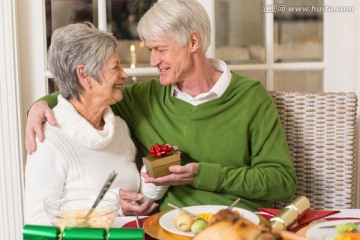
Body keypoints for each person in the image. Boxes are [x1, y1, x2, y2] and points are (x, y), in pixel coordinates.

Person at [26, 0, 297, 213]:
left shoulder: (251, 98)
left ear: (193, 42)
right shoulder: (144, 98)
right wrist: (39, 106)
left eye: (161, 49)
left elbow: (281, 182)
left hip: (237, 222)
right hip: (166, 227)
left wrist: (204, 175)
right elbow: (84, 95)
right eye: (150, 49)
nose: (153, 60)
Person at [23, 22, 166, 224]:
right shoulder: (48, 140)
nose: (124, 74)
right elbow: (37, 221)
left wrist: (155, 178)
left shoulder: (119, 128)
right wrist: (111, 208)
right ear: (84, 75)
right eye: (115, 67)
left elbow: (130, 198)